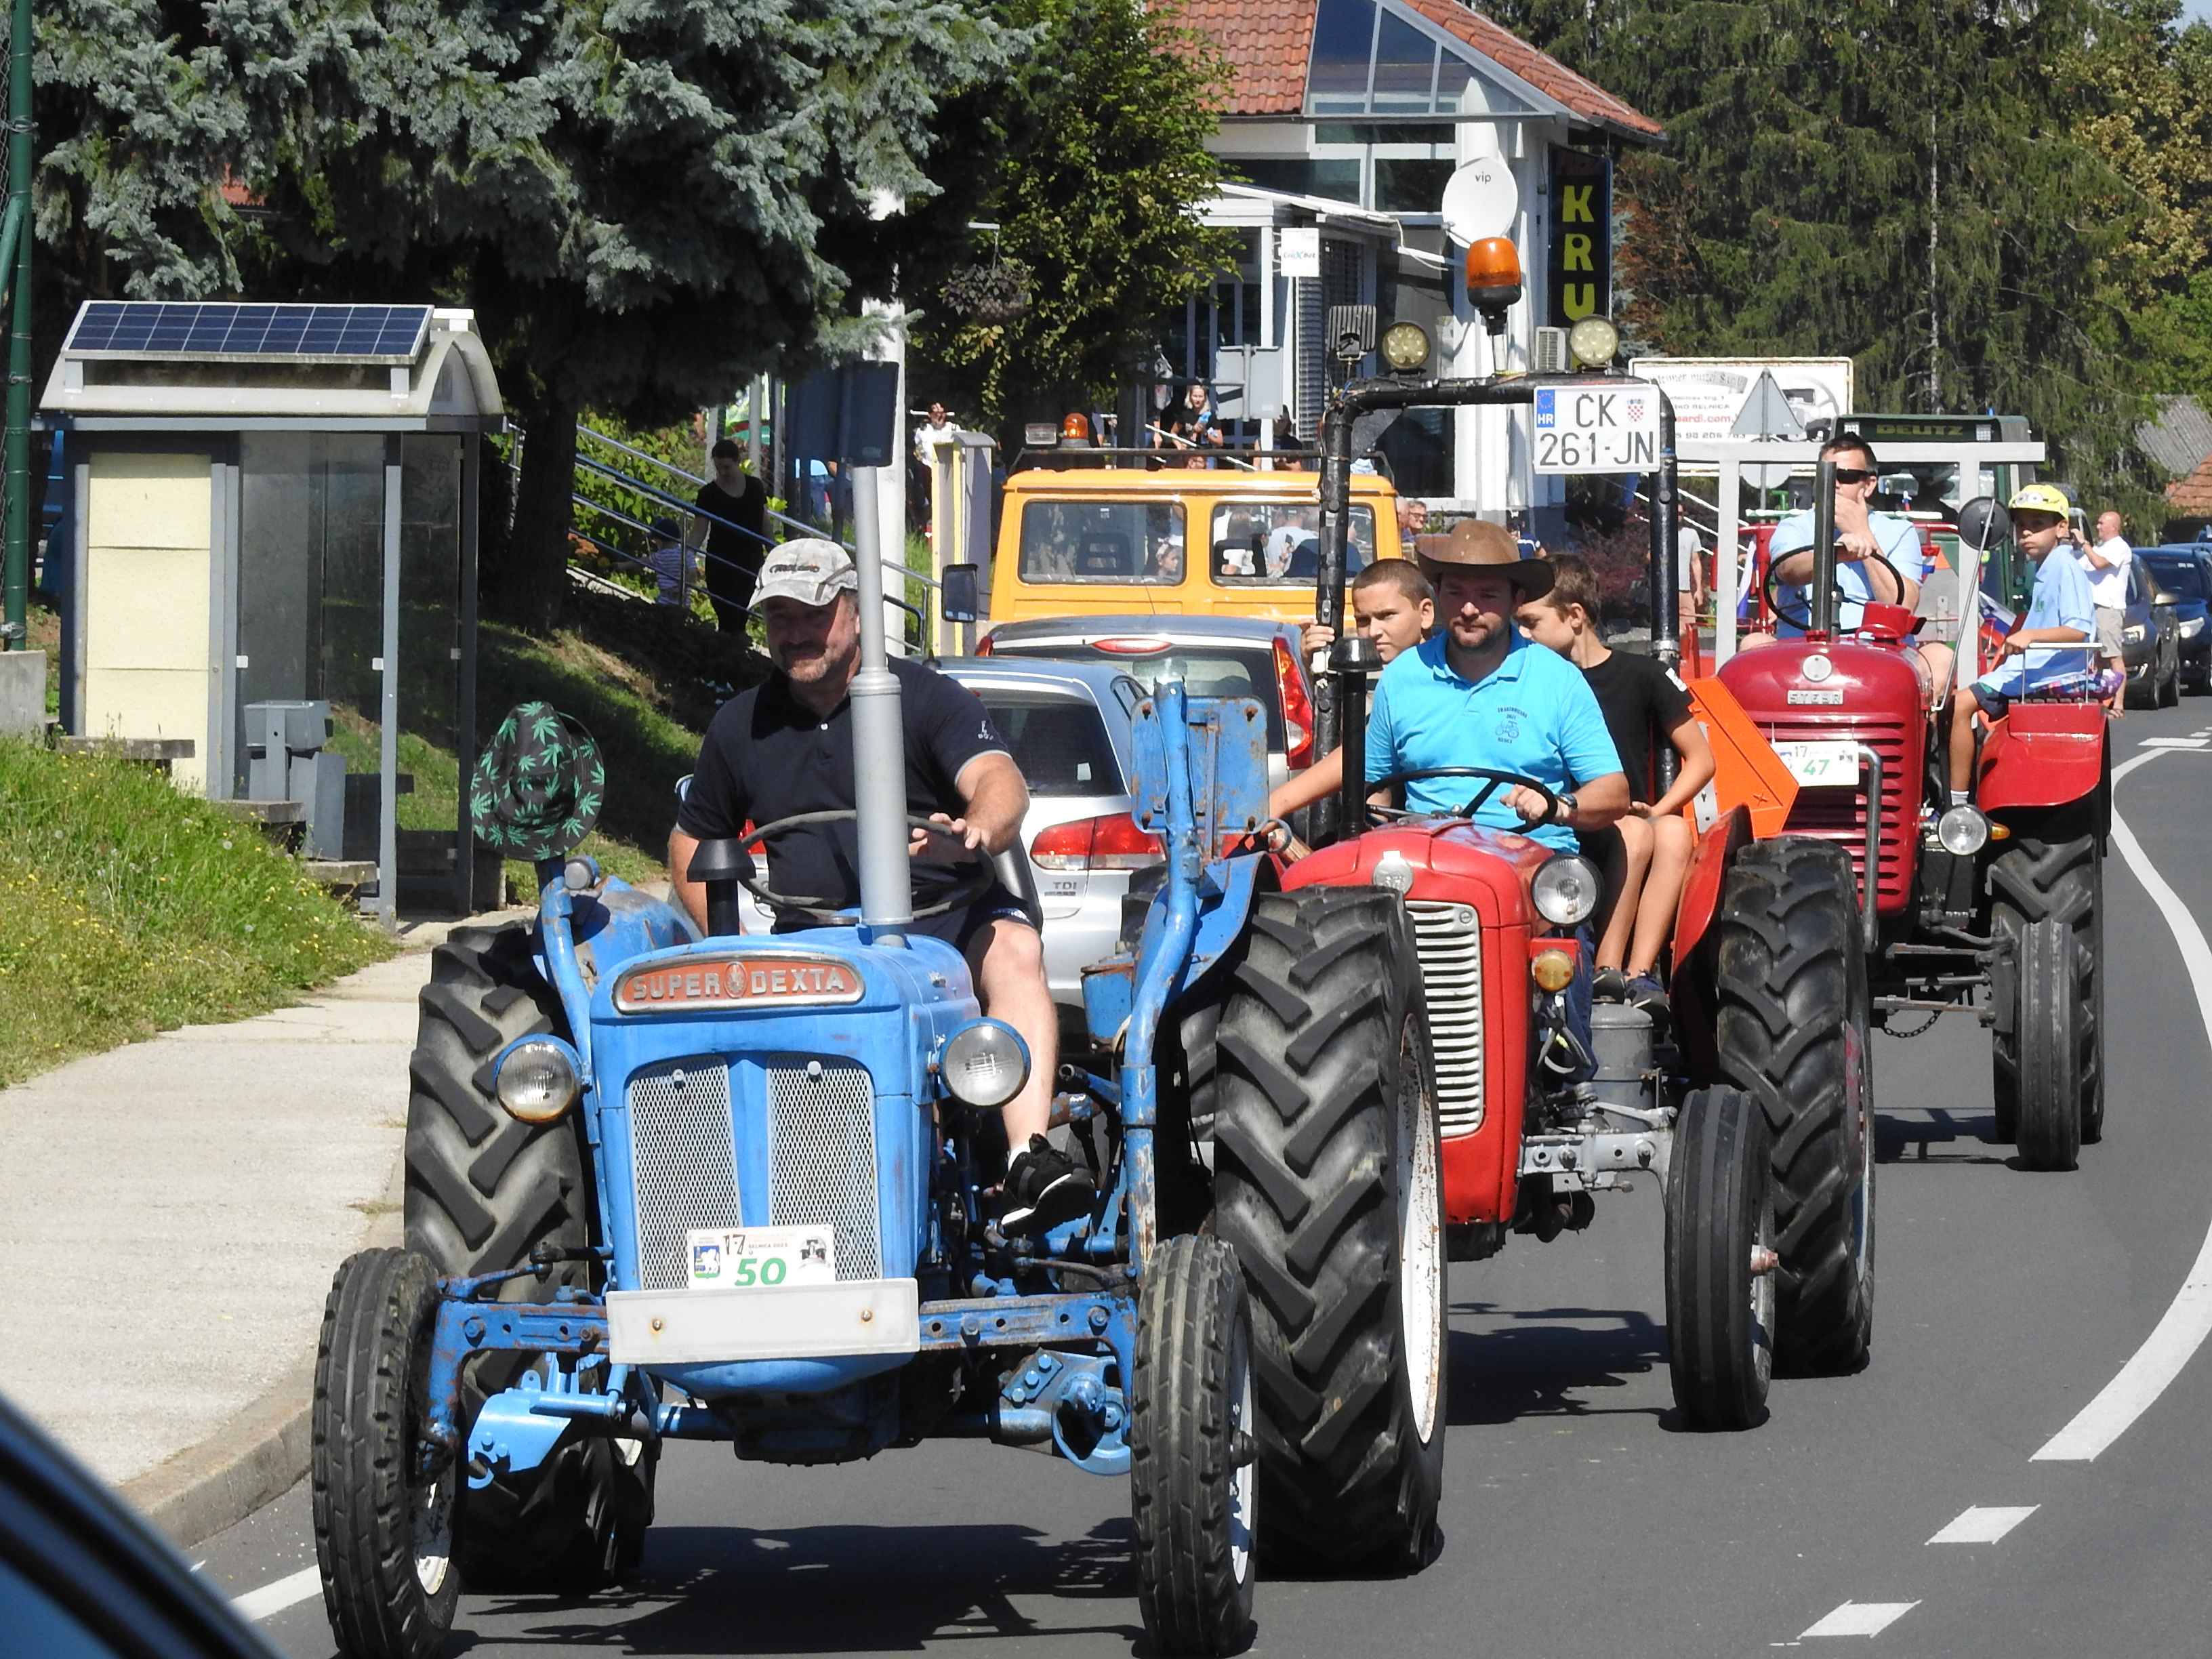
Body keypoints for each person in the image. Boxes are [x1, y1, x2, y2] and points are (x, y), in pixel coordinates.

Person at [666, 541, 1092, 1236]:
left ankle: (1027, 1156)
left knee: (1015, 948)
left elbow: (999, 780)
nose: (794, 632)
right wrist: (728, 940)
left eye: (811, 613)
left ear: (855, 612)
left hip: (945, 929)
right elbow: (692, 839)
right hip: (814, 943)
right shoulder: (742, 724)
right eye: (778, 616)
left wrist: (979, 828)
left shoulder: (922, 698)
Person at [1518, 555, 1716, 1012]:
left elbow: (1701, 760)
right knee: (1635, 831)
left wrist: (1661, 807)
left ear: (1575, 617)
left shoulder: (1641, 675)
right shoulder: (1535, 683)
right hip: (1565, 814)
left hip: (1621, 811)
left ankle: (1640, 973)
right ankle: (1604, 966)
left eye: (1532, 622)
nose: (1524, 635)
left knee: (1669, 831)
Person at [1742, 434, 1953, 691]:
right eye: (1827, 475)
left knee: (1941, 659)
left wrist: (1864, 538)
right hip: (1798, 647)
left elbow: (1903, 605)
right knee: (1752, 644)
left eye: (1847, 476)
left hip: (1879, 652)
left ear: (1868, 484)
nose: (1835, 484)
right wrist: (1840, 553)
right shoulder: (1793, 527)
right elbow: (1788, 570)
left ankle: (1926, 730)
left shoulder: (1900, 532)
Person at [1946, 485, 2097, 798]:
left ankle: (1957, 801)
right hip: (2034, 668)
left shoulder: (2064, 566)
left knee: (1961, 704)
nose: (2026, 532)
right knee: (1947, 701)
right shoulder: (2046, 567)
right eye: (2020, 525)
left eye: (2038, 524)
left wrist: (2030, 636)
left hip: (2049, 672)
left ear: (2061, 528)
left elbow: (2079, 629)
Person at [1273, 560, 1437, 819]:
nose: (1373, 631)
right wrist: (1313, 669)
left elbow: (1361, 751)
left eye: (1387, 616)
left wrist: (1278, 802)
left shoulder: (1438, 679)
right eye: (1363, 620)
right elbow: (1344, 741)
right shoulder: (1378, 679)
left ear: (1425, 614)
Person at [688, 440, 770, 636]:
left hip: (749, 562)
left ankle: (734, 651)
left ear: (738, 461)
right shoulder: (708, 494)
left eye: (727, 467)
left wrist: (774, 550)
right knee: (725, 613)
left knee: (741, 613)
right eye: (718, 468)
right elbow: (699, 531)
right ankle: (728, 651)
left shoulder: (755, 487)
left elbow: (765, 523)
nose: (723, 472)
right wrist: (686, 553)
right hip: (720, 562)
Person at [2079, 509, 2132, 711]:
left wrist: (2085, 544)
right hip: (2092, 609)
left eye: (2102, 523)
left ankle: (2118, 704)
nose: (2098, 527)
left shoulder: (2120, 547)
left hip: (2108, 608)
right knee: (2097, 659)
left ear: (2113, 527)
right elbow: (2079, 568)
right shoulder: (2100, 548)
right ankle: (2099, 701)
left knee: (2113, 657)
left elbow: (2099, 564)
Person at [644, 516, 693, 607]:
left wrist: (622, 565)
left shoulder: (659, 556)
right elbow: (693, 574)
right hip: (683, 605)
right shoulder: (686, 554)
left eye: (656, 540)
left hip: (664, 602)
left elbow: (643, 561)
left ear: (661, 541)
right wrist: (681, 588)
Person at [1676, 522, 1708, 625]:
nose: (1678, 516)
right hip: (1666, 590)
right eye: (1676, 513)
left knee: (1689, 627)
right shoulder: (1660, 532)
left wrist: (1699, 589)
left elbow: (1696, 562)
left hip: (1685, 590)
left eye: (1681, 513)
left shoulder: (1691, 534)